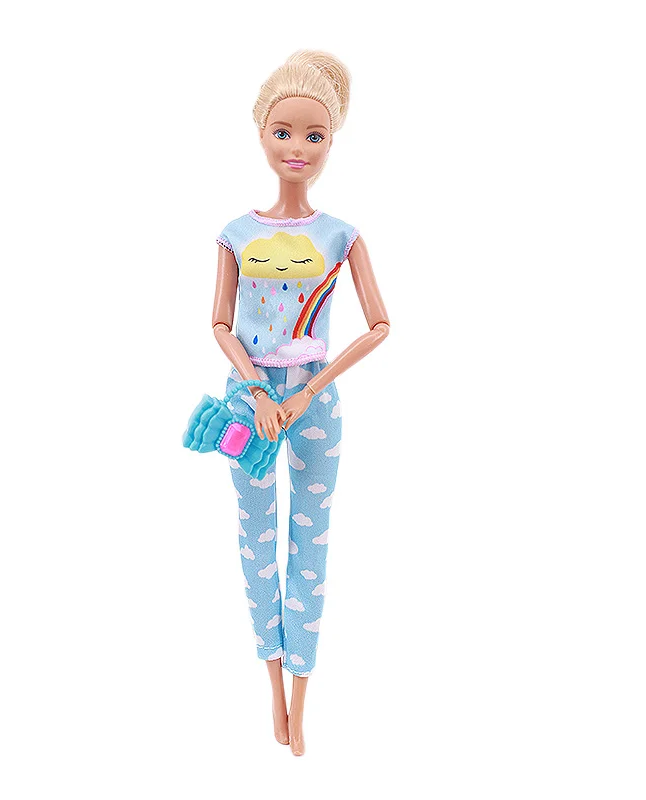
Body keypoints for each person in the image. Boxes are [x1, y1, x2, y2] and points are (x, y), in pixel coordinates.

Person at [211, 50, 390, 756]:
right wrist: (256, 389)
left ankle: (302, 697)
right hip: (248, 402)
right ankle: (272, 688)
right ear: (261, 132)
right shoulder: (236, 234)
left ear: (332, 141)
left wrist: (310, 390)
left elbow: (379, 324)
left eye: (314, 135)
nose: (297, 148)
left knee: (310, 545)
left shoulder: (340, 236)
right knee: (255, 540)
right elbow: (219, 324)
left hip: (316, 399)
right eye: (283, 132)